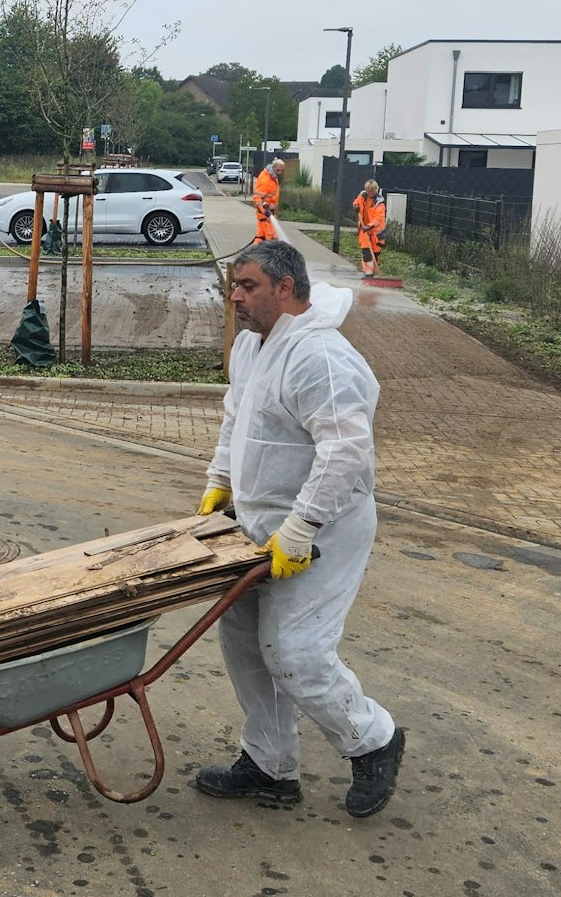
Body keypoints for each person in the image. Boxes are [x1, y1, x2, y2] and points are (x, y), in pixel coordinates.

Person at [193, 239, 405, 818]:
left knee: (295, 652)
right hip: (259, 524)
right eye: (234, 285)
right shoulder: (251, 346)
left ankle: (374, 740)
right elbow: (236, 416)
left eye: (248, 287)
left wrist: (302, 526)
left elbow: (345, 452)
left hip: (323, 530)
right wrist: (220, 482)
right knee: (243, 644)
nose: (235, 297)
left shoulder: (321, 358)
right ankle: (269, 765)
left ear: (285, 289)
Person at [353, 180, 387, 277]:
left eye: (372, 191)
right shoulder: (362, 197)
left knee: (375, 253)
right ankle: (368, 273)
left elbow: (378, 218)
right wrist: (356, 205)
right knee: (367, 252)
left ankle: (373, 271)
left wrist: (370, 225)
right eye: (369, 191)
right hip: (365, 230)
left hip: (377, 233)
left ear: (376, 190)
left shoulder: (380, 203)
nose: (370, 193)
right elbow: (356, 201)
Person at [252, 159, 285, 244]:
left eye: (282, 170)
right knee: (270, 240)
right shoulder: (265, 179)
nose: (280, 172)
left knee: (261, 238)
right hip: (265, 216)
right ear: (273, 167)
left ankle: (253, 255)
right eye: (278, 170)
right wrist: (264, 210)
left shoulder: (272, 177)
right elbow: (257, 198)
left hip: (269, 215)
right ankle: (262, 256)